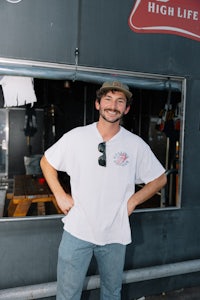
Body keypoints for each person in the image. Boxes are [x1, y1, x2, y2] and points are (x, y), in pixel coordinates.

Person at [40, 81, 167, 300]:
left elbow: (159, 179)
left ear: (126, 109)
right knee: (67, 294)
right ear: (97, 104)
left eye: (120, 101)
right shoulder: (77, 136)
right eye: (107, 99)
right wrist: (60, 195)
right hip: (77, 230)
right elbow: (46, 162)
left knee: (111, 293)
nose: (113, 106)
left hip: (115, 233)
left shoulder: (135, 144)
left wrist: (133, 201)